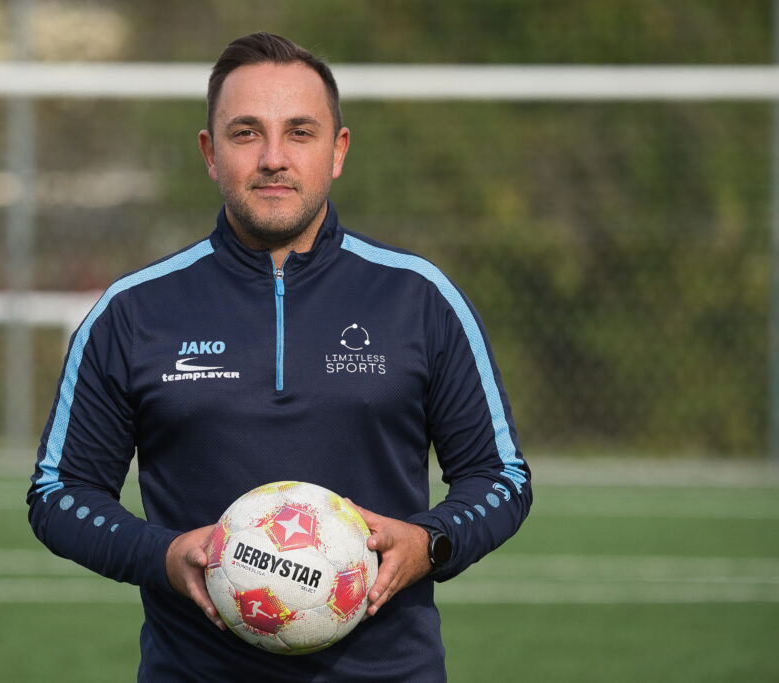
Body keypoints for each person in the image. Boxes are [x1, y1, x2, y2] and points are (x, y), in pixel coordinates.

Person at [28, 32, 532, 682]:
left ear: (338, 150)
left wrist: (429, 542)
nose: (273, 158)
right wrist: (163, 555)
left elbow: (501, 476)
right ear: (210, 153)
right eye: (246, 133)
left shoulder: (419, 297)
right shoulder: (134, 311)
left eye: (299, 132)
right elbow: (59, 493)